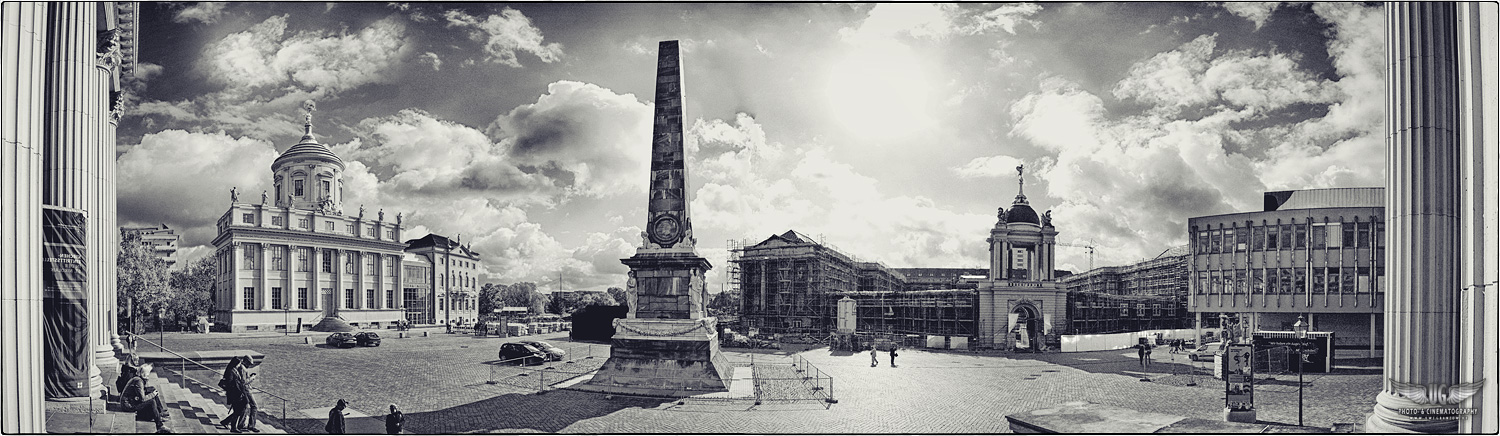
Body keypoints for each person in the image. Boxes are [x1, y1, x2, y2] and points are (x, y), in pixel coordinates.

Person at [122, 363, 171, 433]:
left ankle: (160, 412)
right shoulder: (139, 381)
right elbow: (142, 399)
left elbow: (141, 392)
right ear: (144, 374)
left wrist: (152, 392)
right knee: (152, 401)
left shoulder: (138, 378)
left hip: (132, 400)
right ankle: (159, 425)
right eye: (148, 374)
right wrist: (152, 395)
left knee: (152, 389)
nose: (148, 375)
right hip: (128, 405)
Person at [218, 357, 244, 430]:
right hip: (234, 394)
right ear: (236, 363)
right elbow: (230, 384)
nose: (240, 365)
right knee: (237, 410)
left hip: (237, 393)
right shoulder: (230, 371)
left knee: (238, 410)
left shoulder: (234, 369)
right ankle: (232, 427)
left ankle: (226, 422)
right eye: (239, 363)